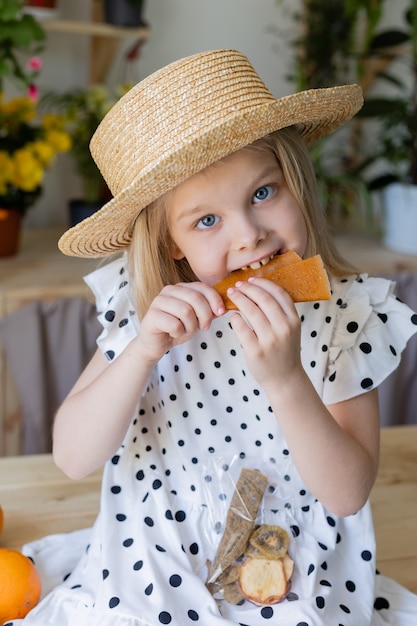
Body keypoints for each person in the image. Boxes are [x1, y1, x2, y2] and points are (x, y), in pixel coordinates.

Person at [12, 49, 417, 626]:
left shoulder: (346, 314)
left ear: (296, 182)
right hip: (155, 563)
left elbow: (348, 492)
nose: (249, 237)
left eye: (262, 193)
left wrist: (286, 379)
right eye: (207, 221)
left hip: (292, 569)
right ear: (172, 243)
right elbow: (74, 457)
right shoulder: (146, 309)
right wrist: (141, 351)